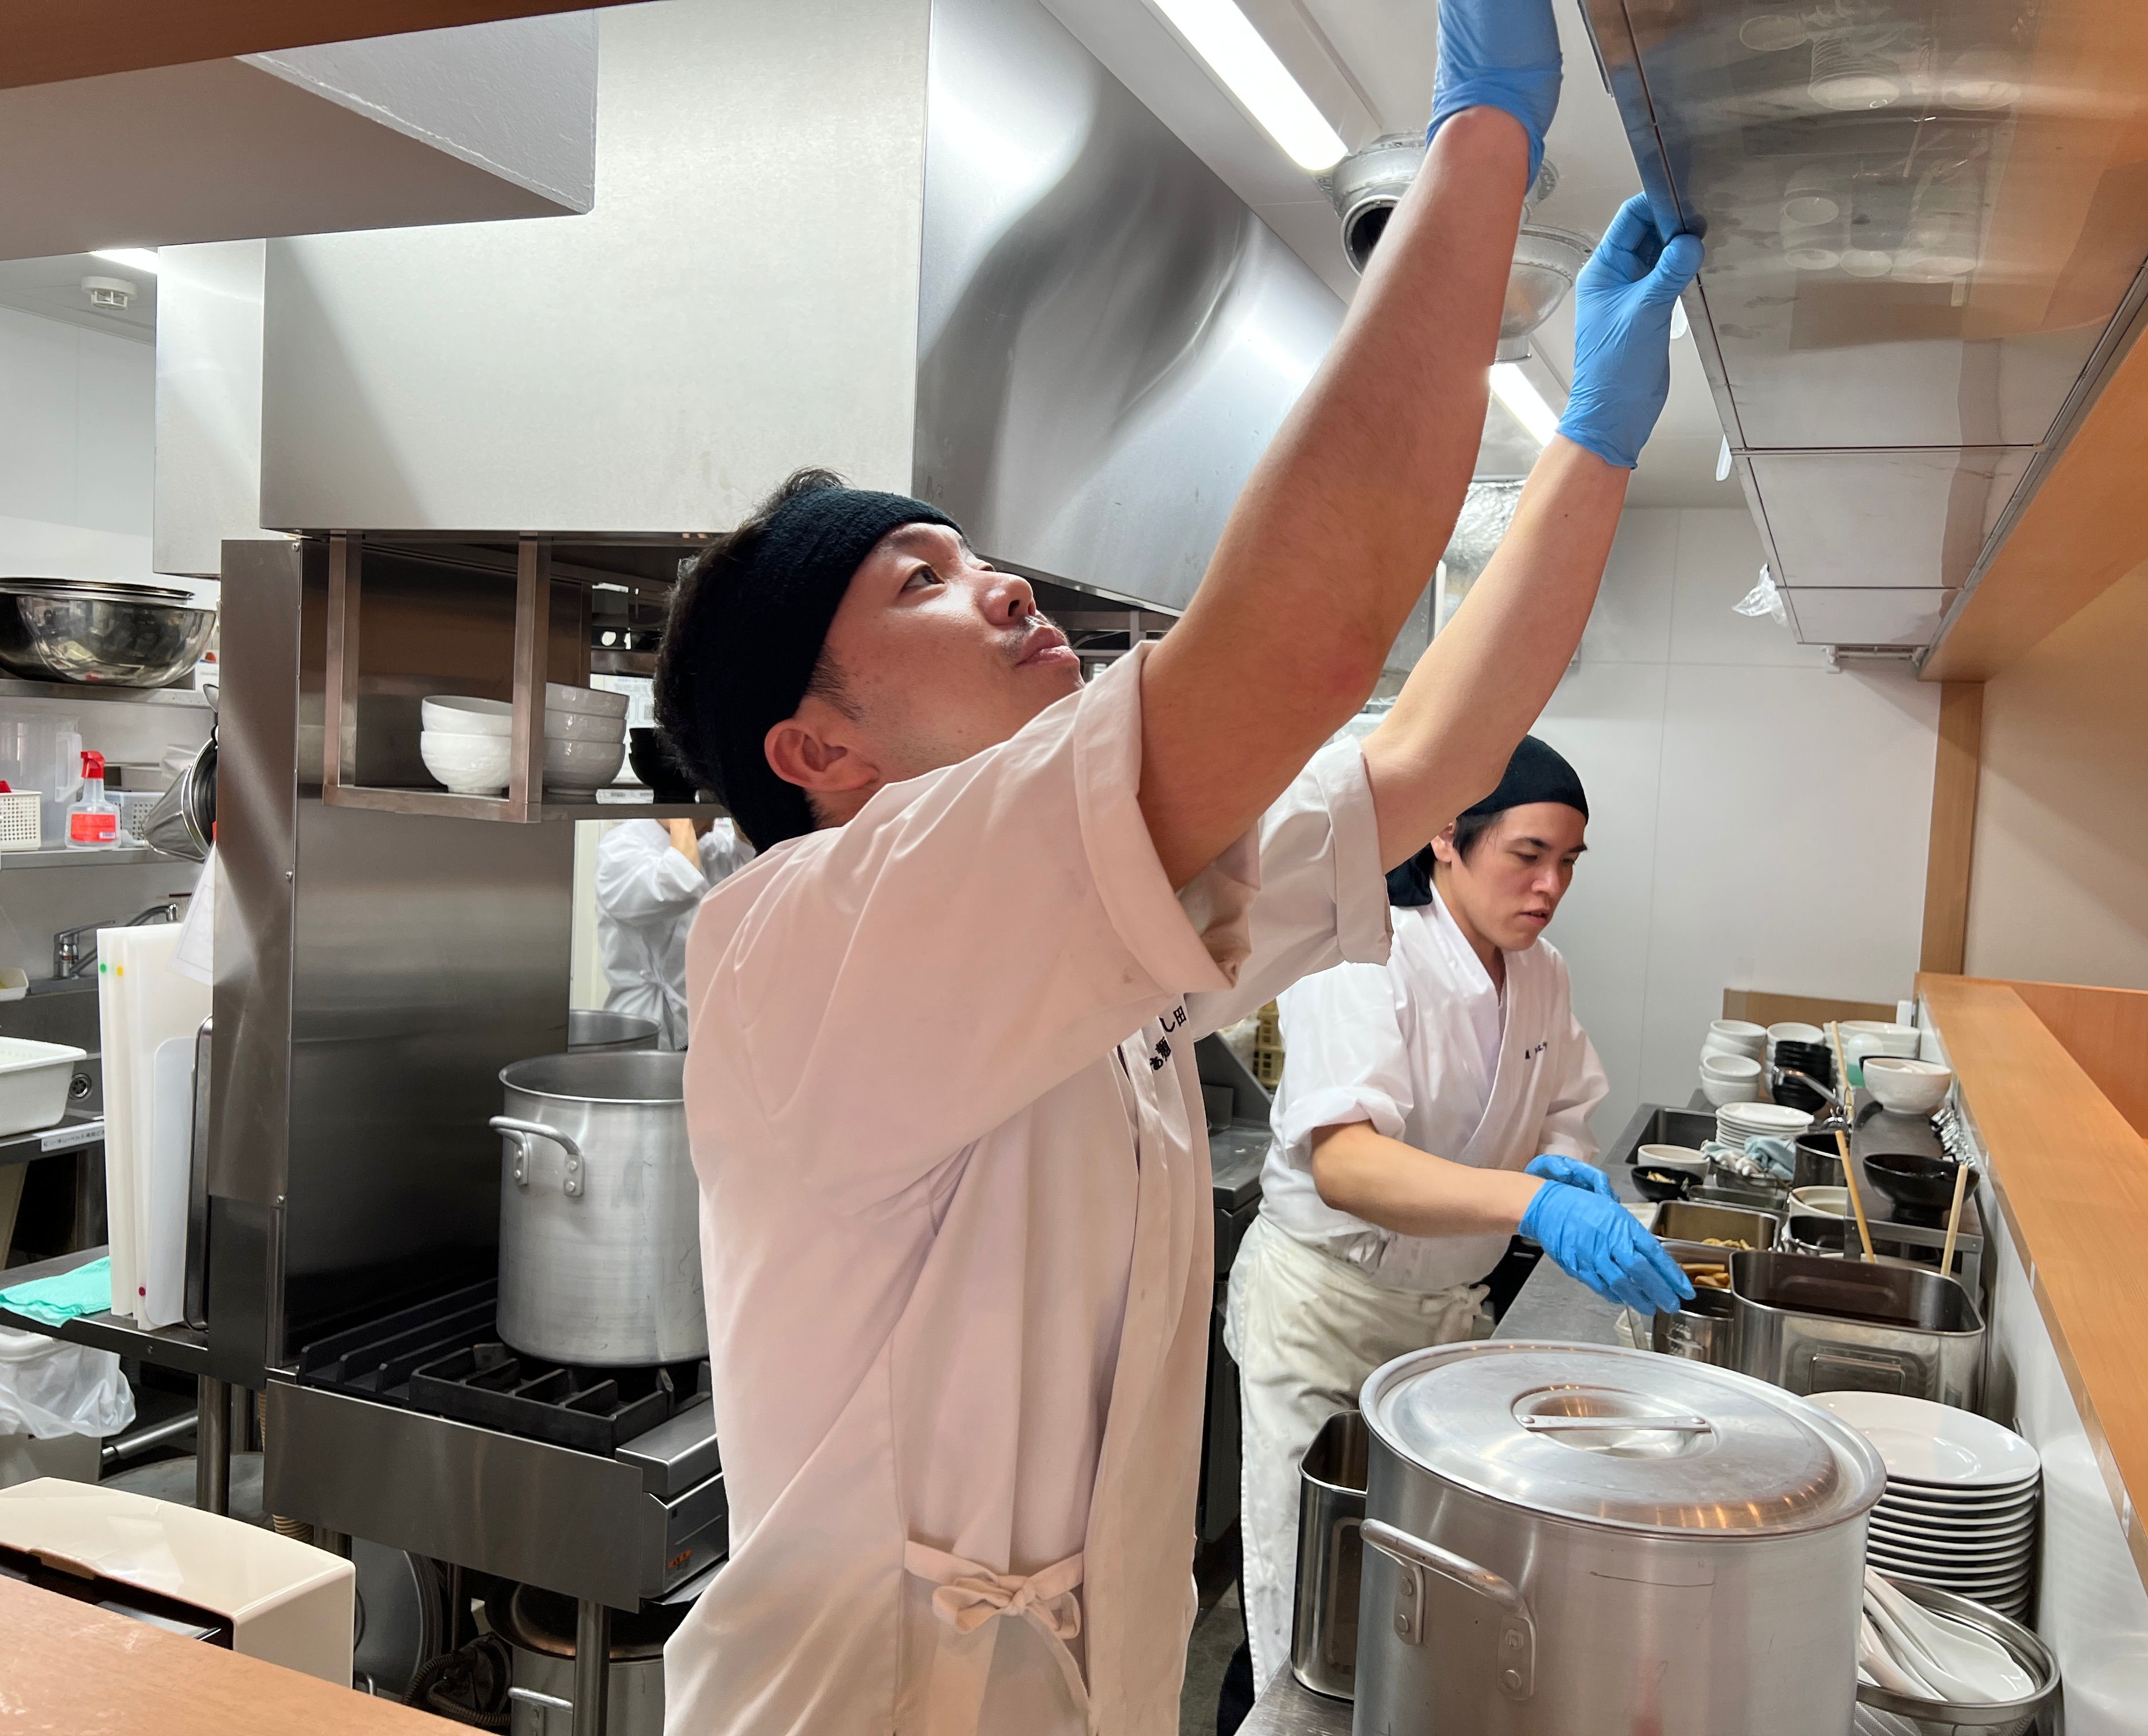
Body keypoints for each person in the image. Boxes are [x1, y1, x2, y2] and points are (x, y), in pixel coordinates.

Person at [648, 2, 1702, 1726]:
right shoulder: (802, 939)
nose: (999, 582)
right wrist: (1482, 143)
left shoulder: (1095, 919)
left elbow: (1428, 752)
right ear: (812, 752)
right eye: (918, 581)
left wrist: (1590, 444)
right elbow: (1294, 650)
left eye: (975, 551)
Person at [1221, 735, 1687, 1710]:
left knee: (1404, 1591)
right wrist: (1529, 1199)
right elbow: (1345, 1163)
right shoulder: (1364, 953)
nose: (1550, 884)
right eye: (1527, 854)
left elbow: (1562, 1103)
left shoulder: (1542, 971)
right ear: (1445, 836)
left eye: (1567, 861)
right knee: (1303, 1589)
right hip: (1324, 1310)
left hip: (1441, 1319)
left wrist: (1562, 1164)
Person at [593, 817, 753, 1048]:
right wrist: (680, 817)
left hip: (698, 1020)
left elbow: (751, 865)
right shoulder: (622, 846)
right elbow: (677, 884)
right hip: (642, 1019)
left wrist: (743, 813)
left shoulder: (706, 845)